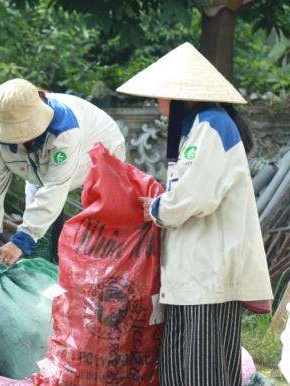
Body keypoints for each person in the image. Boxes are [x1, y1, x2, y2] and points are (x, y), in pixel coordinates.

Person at [117, 42, 273, 385]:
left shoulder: (212, 126)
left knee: (204, 370)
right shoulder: (197, 126)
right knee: (177, 364)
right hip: (191, 270)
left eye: (160, 96)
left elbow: (196, 195)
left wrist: (156, 207)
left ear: (178, 95)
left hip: (208, 269)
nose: (157, 104)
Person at [0, 78, 126, 266]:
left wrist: (20, 241)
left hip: (100, 150)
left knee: (98, 225)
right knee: (38, 230)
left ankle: (97, 271)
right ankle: (45, 263)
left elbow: (55, 186)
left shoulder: (65, 129)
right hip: (42, 169)